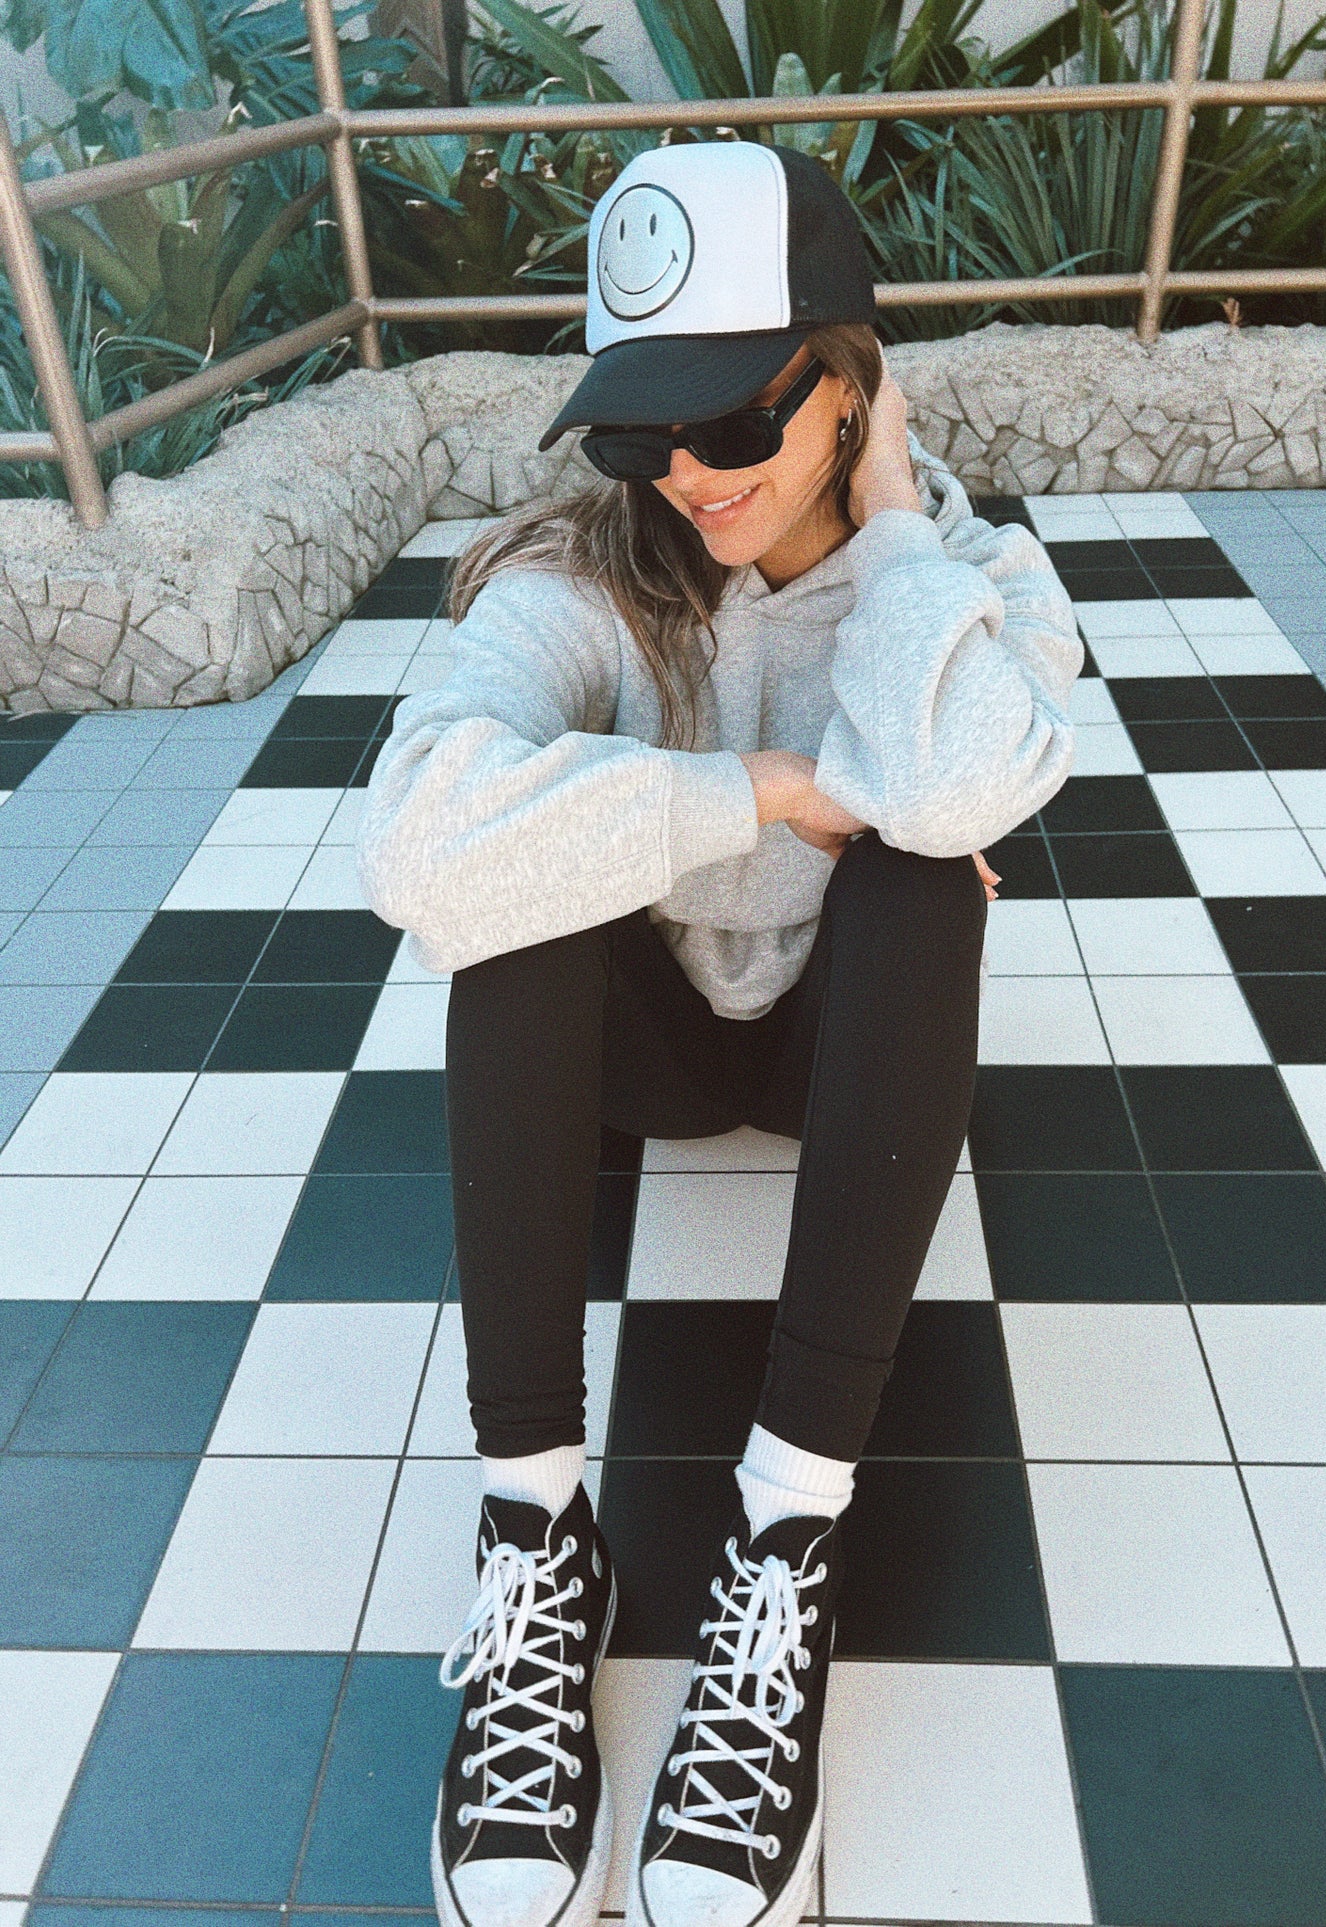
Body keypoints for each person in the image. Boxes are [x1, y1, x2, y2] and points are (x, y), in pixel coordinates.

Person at [357, 139, 1081, 1927]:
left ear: (847, 394)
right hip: (655, 1041)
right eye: (634, 430)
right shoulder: (582, 572)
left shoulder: (969, 574)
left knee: (929, 873)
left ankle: (784, 1535)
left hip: (841, 1044)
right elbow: (413, 848)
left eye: (733, 425)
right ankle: (537, 1531)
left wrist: (901, 528)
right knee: (507, 909)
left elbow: (968, 778)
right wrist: (751, 785)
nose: (681, 474)